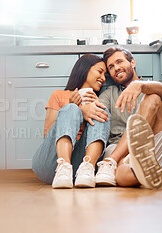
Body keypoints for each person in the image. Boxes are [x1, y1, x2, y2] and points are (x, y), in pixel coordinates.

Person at [93, 46, 162, 189]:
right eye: (111, 66)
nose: (116, 68)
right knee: (122, 176)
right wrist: (84, 106)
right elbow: (96, 110)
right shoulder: (109, 94)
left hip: (151, 144)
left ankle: (112, 161)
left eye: (119, 62)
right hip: (118, 146)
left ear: (132, 63)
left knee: (153, 98)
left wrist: (139, 85)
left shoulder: (150, 86)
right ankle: (141, 172)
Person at [32, 54, 111, 189]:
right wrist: (79, 110)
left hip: (80, 169)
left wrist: (92, 108)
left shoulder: (100, 100)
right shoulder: (58, 95)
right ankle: (64, 167)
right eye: (100, 71)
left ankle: (88, 166)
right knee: (71, 108)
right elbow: (48, 134)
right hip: (51, 163)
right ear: (85, 69)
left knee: (101, 111)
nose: (103, 78)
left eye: (105, 75)